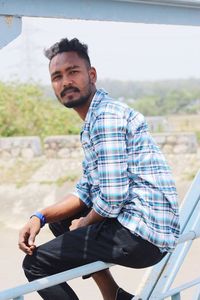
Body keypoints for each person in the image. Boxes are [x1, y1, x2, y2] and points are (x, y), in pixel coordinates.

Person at [18, 37, 180, 300]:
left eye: (73, 72)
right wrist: (39, 217)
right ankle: (114, 295)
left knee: (36, 264)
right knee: (61, 222)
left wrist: (84, 223)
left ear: (91, 75)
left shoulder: (105, 118)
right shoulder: (95, 117)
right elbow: (86, 189)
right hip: (144, 227)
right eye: (57, 76)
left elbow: (113, 196)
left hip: (142, 235)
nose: (65, 81)